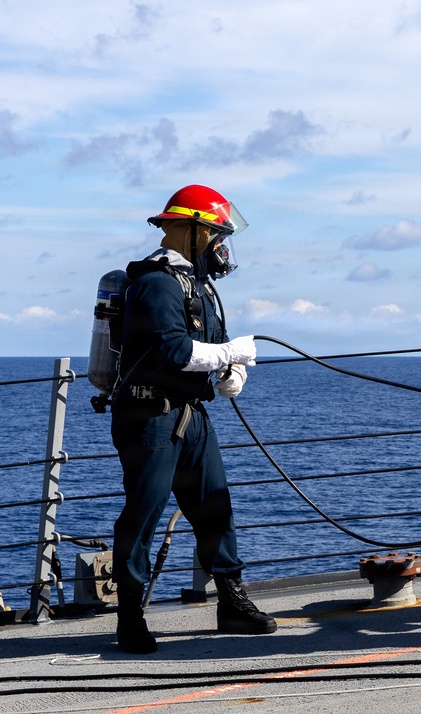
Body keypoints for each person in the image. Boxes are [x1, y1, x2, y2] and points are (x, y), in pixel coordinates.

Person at [110, 184, 276, 653]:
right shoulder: (156, 282)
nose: (223, 247)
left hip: (191, 413)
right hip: (151, 415)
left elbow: (208, 349)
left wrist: (230, 369)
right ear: (193, 230)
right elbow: (172, 349)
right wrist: (227, 352)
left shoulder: (196, 286)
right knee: (142, 515)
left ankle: (231, 603)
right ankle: (130, 616)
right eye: (217, 235)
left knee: (215, 508)